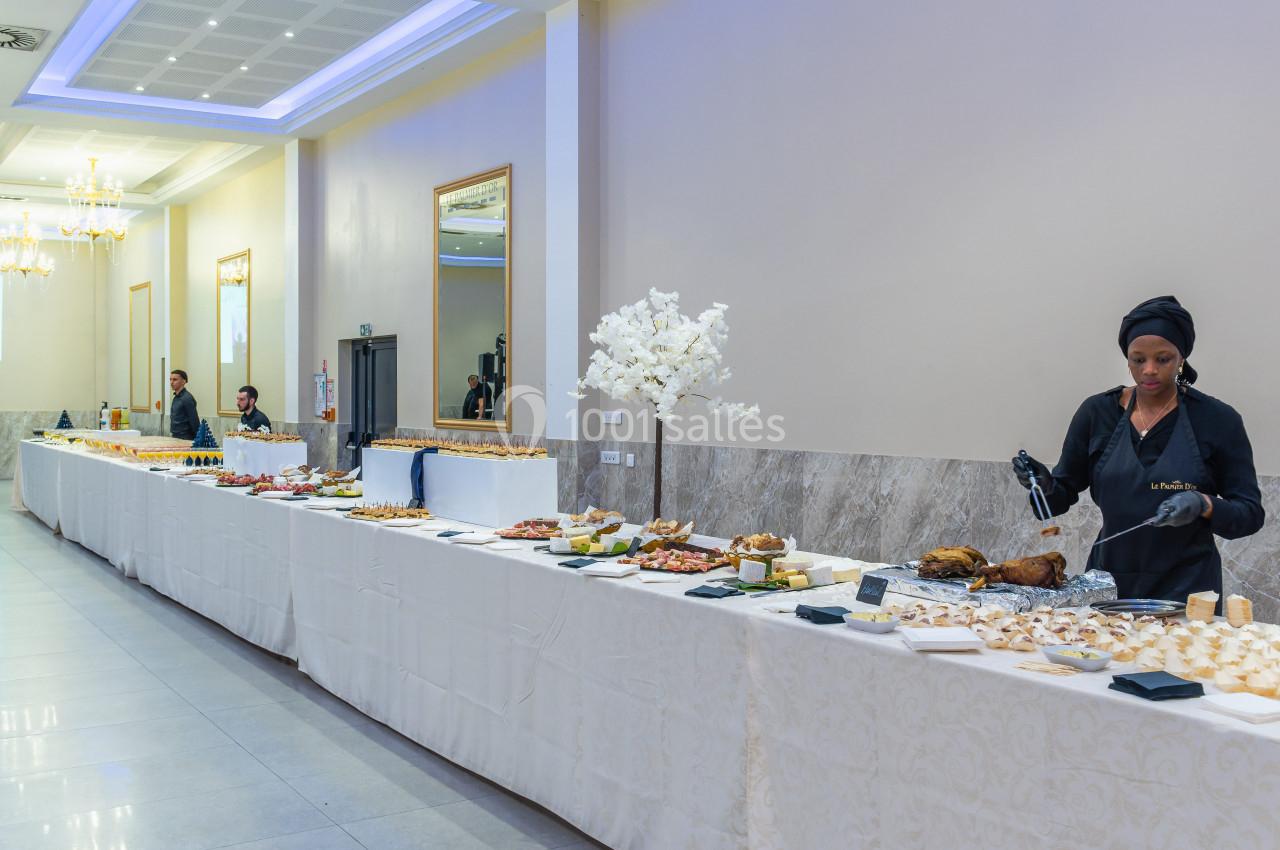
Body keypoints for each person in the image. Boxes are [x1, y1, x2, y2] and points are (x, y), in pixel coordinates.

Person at [1013, 296, 1264, 602]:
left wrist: (1203, 504)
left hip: (1189, 590)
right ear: (1127, 358)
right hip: (1108, 586)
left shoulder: (1217, 420)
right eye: (1138, 359)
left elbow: (1249, 514)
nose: (1149, 370)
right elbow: (1053, 503)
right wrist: (1042, 484)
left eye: (1163, 359)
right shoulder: (1097, 413)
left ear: (1181, 357)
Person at [169, 369, 199, 440]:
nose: (171, 382)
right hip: (176, 436)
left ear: (183, 381)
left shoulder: (187, 398)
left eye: (175, 380)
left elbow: (194, 420)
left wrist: (198, 440)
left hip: (186, 437)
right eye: (170, 379)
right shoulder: (176, 397)